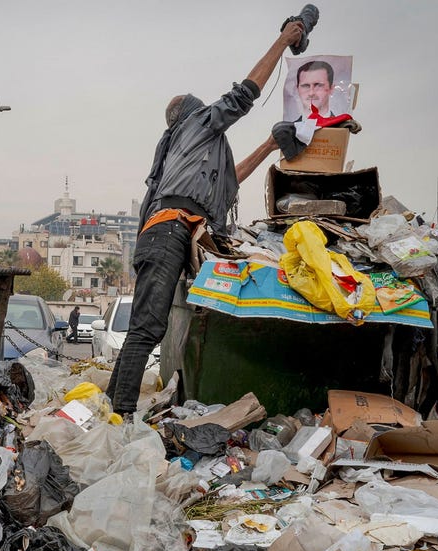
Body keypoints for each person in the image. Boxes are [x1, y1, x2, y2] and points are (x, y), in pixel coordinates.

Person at [106, 21, 306, 418]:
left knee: (146, 328)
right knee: (147, 328)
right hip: (168, 231)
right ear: (192, 115)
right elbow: (245, 94)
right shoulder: (196, 125)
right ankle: (120, 415)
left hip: (173, 232)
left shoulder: (193, 153)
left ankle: (112, 405)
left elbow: (231, 181)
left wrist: (269, 144)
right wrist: (283, 40)